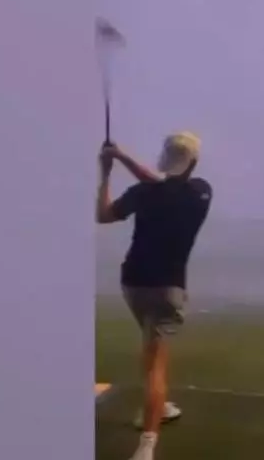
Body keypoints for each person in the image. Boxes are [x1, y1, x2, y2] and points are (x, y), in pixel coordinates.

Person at [96, 132, 213, 460]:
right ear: (193, 163)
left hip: (133, 284)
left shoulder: (143, 193)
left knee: (152, 352)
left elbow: (103, 214)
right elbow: (163, 185)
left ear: (163, 158)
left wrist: (107, 170)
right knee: (154, 367)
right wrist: (121, 157)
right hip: (167, 289)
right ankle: (147, 445)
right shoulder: (201, 192)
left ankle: (159, 407)